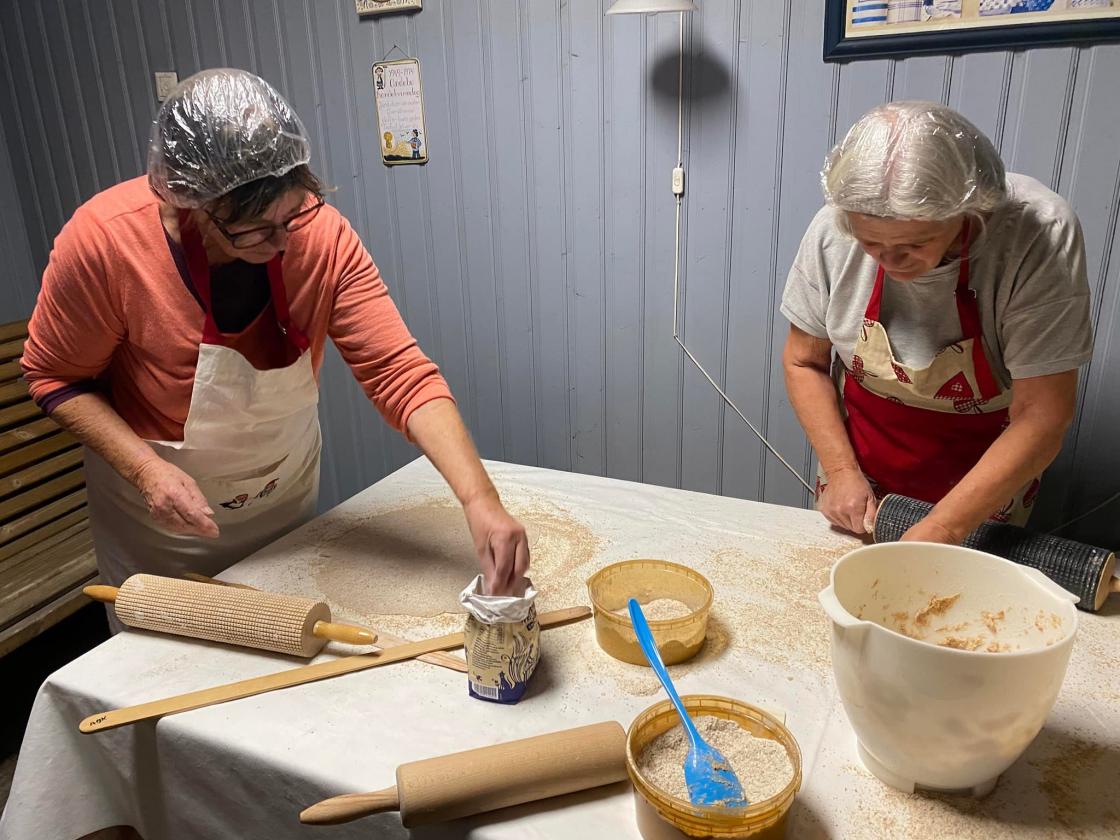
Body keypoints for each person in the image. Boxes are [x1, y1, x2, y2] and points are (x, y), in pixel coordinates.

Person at [21, 69, 529, 623]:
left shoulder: (320, 235)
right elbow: (53, 377)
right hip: (165, 530)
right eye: (258, 228)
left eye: (293, 213)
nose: (284, 240)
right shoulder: (106, 244)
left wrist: (480, 500)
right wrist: (145, 470)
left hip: (283, 511)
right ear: (195, 203)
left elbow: (399, 373)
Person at [781, 101, 1093, 544]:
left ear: (969, 211)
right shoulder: (835, 226)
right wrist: (841, 471)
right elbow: (804, 362)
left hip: (983, 487)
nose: (891, 261)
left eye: (915, 243)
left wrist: (945, 527)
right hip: (861, 474)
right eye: (871, 243)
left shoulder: (1037, 235)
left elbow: (1043, 414)